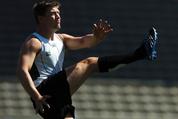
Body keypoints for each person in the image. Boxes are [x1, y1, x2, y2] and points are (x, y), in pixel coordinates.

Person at [16, 0, 158, 119]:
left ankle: (141, 53)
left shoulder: (61, 39)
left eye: (59, 13)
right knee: (89, 63)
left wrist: (96, 37)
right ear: (41, 18)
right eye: (53, 13)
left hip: (58, 95)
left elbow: (84, 42)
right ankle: (140, 53)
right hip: (44, 92)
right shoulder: (34, 42)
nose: (58, 16)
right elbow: (22, 71)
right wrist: (36, 96)